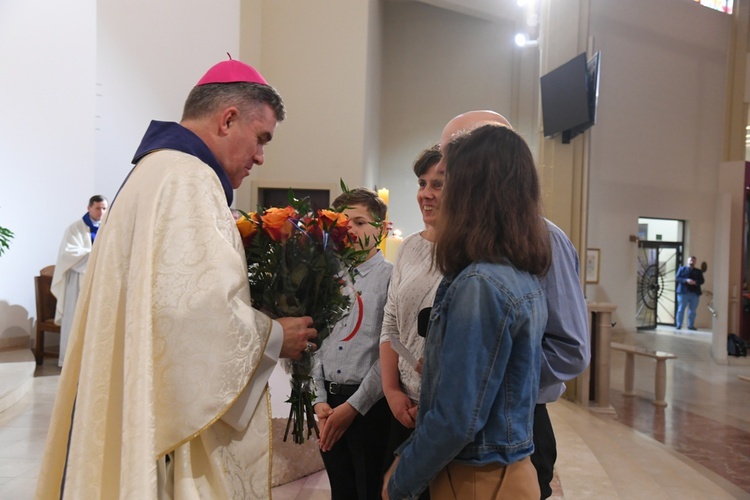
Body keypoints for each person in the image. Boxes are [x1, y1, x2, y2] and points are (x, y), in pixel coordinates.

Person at [35, 58, 318, 499]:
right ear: (228, 119)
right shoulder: (189, 180)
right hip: (173, 438)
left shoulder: (153, 173)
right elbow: (192, 320)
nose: (261, 156)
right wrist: (275, 336)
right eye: (261, 138)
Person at [384, 124, 551, 499]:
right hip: (502, 469)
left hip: (479, 478)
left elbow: (456, 419)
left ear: (475, 194)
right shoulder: (518, 273)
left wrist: (401, 478)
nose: (441, 195)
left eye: (449, 182)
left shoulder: (481, 284)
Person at [439, 110, 590, 499]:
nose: (443, 176)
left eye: (454, 160)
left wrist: (491, 381)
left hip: (517, 422)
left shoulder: (545, 239)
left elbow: (570, 349)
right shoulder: (466, 236)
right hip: (463, 420)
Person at [312, 188, 393, 499]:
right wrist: (319, 399)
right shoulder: (327, 276)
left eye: (360, 222)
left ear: (382, 229)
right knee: (341, 490)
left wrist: (353, 407)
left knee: (369, 489)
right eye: (344, 222)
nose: (351, 229)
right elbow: (314, 342)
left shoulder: (391, 279)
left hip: (369, 407)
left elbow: (390, 351)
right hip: (328, 407)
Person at [379, 145, 444, 499]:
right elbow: (391, 323)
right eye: (422, 183)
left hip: (444, 413)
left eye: (439, 184)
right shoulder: (408, 248)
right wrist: (391, 391)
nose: (426, 194)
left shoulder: (471, 252)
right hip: (402, 406)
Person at [50, 194, 108, 367]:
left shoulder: (109, 228)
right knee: (75, 319)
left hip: (100, 280)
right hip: (78, 280)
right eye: (98, 208)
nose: (101, 212)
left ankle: (94, 362)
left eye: (104, 208)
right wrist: (93, 256)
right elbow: (68, 254)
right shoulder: (75, 228)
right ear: (89, 208)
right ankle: (70, 362)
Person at [675, 255, 704, 330]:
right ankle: (679, 325)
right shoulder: (682, 269)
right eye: (690, 260)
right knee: (680, 309)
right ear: (687, 261)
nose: (692, 261)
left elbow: (702, 281)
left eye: (693, 260)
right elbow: (677, 278)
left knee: (693, 310)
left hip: (694, 293)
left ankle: (690, 325)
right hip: (683, 292)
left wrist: (695, 282)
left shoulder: (698, 271)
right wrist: (686, 280)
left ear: (695, 262)